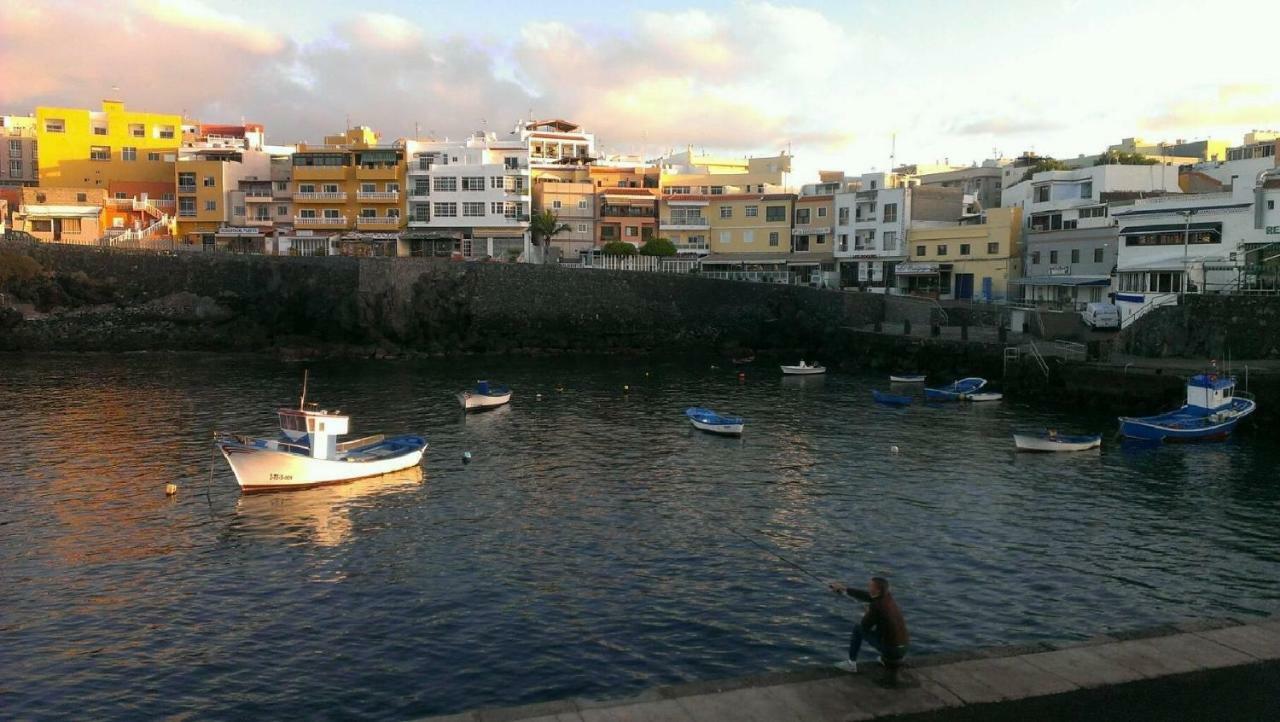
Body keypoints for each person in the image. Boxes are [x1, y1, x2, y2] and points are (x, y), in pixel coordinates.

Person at [829, 576, 910, 686]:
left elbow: (865, 626)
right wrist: (844, 589)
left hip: (891, 650)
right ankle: (883, 658)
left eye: (870, 586)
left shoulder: (876, 606)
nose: (868, 587)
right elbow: (867, 596)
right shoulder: (887, 598)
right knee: (887, 632)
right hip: (903, 647)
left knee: (857, 629)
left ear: (877, 590)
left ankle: (851, 664)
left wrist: (868, 612)